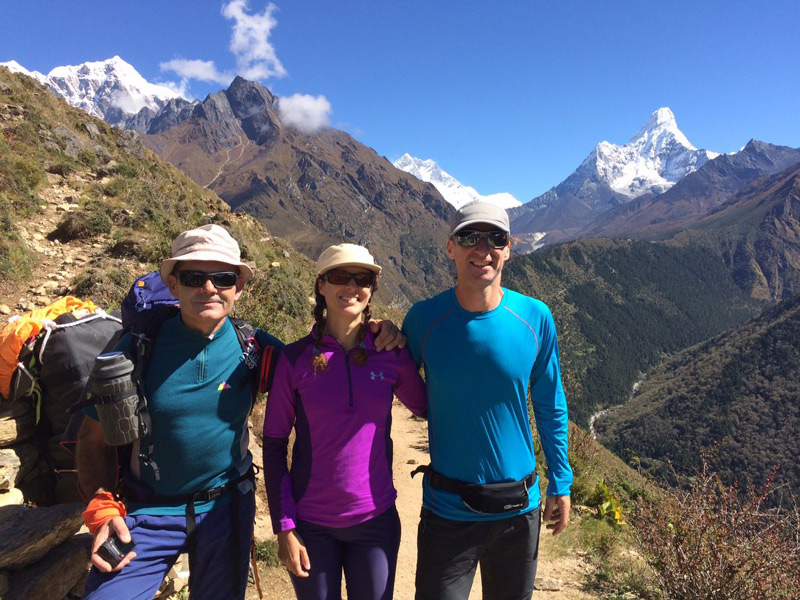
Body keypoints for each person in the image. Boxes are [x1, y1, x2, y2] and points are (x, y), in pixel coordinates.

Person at [76, 226, 406, 600]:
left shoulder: (256, 348)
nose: (209, 287)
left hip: (226, 507)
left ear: (239, 287)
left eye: (223, 277)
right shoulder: (135, 351)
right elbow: (92, 440)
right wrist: (102, 507)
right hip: (146, 510)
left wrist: (373, 331)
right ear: (173, 284)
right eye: (194, 277)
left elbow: (323, 359)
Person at [402, 202, 573, 600]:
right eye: (469, 238)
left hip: (519, 511)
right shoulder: (423, 320)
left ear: (509, 247)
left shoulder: (536, 317)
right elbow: (390, 386)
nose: (483, 249)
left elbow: (551, 406)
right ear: (450, 248)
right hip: (448, 513)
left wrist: (561, 482)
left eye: (495, 238)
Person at [263, 243, 427, 600]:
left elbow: (427, 406)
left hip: (376, 520)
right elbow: (274, 444)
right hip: (310, 525)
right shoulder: (294, 360)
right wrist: (285, 527)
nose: (351, 287)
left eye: (362, 278)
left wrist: (405, 340)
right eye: (339, 277)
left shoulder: (391, 354)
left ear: (372, 289)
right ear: (321, 285)